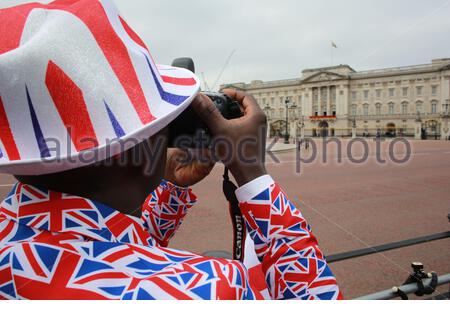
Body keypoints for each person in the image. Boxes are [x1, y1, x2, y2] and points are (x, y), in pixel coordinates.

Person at [0, 0, 341, 300]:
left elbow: (112, 248)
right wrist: (252, 173)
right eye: (157, 125)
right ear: (131, 153)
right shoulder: (213, 290)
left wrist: (170, 187)